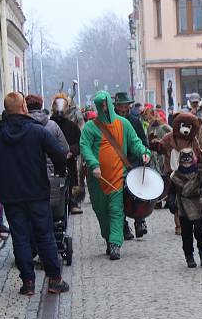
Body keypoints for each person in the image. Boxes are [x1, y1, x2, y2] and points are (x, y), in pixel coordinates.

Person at [0, 92, 70, 295]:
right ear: (23, 108)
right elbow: (59, 154)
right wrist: (58, 169)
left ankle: (28, 283)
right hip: (37, 191)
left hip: (11, 195)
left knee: (20, 237)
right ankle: (54, 280)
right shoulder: (37, 131)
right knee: (45, 235)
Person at [79, 91, 151, 260]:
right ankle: (108, 237)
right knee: (101, 211)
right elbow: (85, 147)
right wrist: (93, 164)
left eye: (105, 104)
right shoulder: (90, 127)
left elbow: (135, 142)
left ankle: (115, 243)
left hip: (118, 176)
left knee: (116, 210)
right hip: (97, 180)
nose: (104, 108)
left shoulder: (124, 124)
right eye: (100, 105)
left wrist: (144, 152)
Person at [150, 112, 202, 235]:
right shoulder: (169, 137)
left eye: (189, 126)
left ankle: (190, 220)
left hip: (191, 174)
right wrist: (155, 144)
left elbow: (198, 153)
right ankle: (179, 225)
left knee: (189, 199)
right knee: (176, 200)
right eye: (184, 125)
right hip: (173, 174)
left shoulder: (193, 140)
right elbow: (161, 147)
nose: (186, 129)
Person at [114, 92, 150, 239]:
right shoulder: (111, 121)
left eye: (125, 106)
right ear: (116, 107)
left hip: (134, 161)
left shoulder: (135, 121)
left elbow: (142, 141)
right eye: (121, 106)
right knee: (118, 195)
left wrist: (145, 154)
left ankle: (140, 221)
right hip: (116, 162)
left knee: (137, 193)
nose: (123, 109)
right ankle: (122, 226)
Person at [171, 148, 202, 268]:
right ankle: (189, 256)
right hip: (183, 210)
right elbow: (171, 192)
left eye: (188, 162)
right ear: (180, 162)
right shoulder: (176, 177)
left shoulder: (200, 175)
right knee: (186, 234)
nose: (186, 165)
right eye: (184, 162)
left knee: (200, 232)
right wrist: (172, 203)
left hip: (199, 207)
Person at [51, 93, 84, 215]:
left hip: (69, 160)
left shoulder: (72, 126)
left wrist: (71, 151)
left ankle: (73, 202)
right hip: (51, 161)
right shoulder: (48, 124)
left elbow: (79, 143)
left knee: (72, 180)